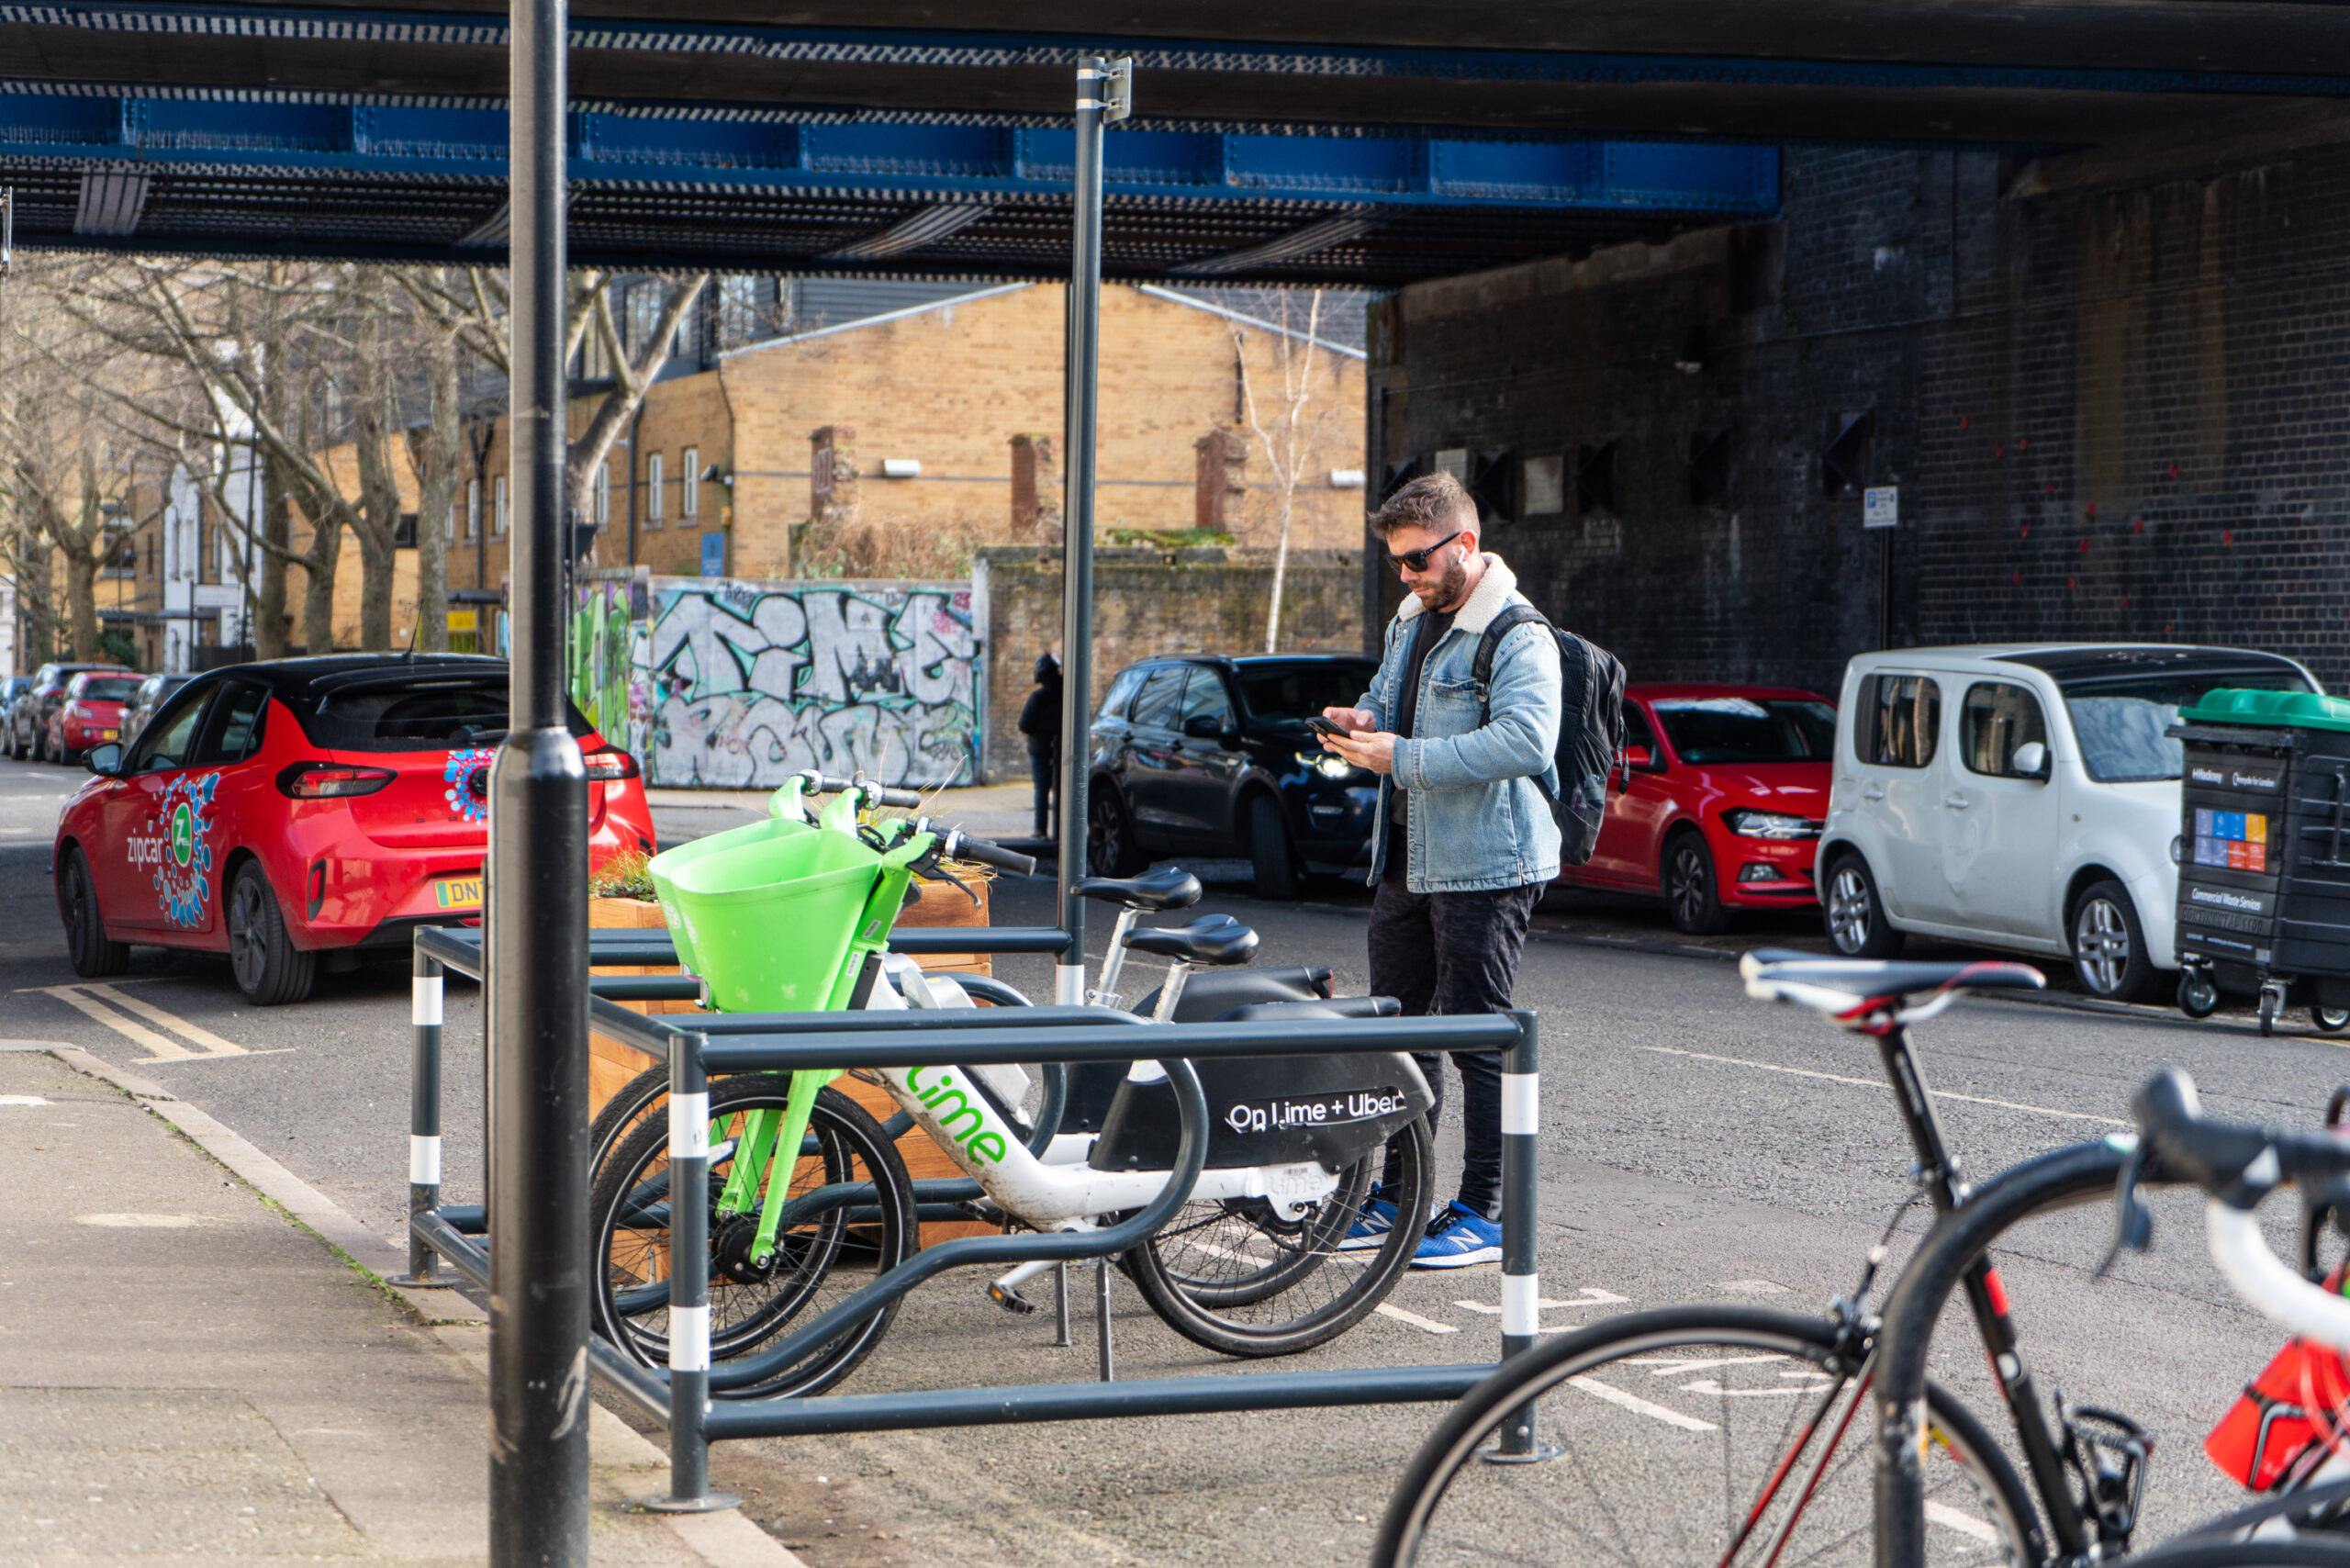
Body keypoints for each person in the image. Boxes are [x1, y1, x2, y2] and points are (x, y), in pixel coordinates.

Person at [1318, 471, 1561, 1268]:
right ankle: (1401, 1195)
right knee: (1403, 1032)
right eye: (1395, 563)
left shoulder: (1518, 635)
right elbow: (1388, 702)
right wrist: (1363, 722)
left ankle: (1485, 1212)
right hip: (1407, 858)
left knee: (1477, 1037)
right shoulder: (1409, 620)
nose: (1406, 577)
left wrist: (1406, 756)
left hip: (1488, 864)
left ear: (1466, 545)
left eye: (1417, 561)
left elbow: (1528, 741)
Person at [1018, 652, 1063, 838]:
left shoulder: (1038, 697)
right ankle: (1063, 832)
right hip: (1063, 748)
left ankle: (1040, 830)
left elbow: (1024, 725)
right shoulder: (1068, 694)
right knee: (1064, 789)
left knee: (1042, 789)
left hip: (1040, 748)